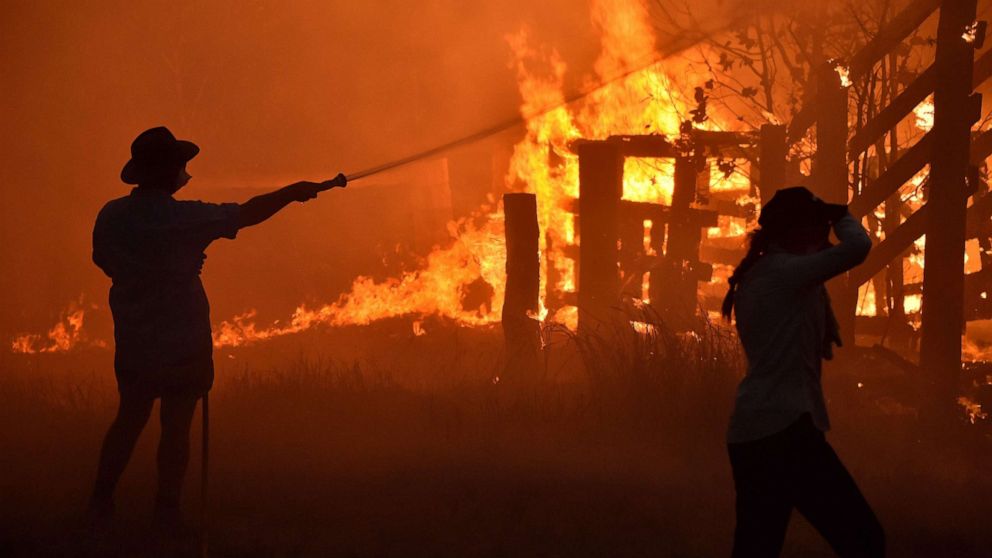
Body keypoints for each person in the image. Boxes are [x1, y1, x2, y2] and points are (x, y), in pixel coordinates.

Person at [89, 126, 346, 528]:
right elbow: (246, 214)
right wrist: (292, 192)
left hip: (135, 337)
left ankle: (100, 502)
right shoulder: (183, 218)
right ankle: (167, 511)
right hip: (182, 340)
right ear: (168, 171)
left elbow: (102, 260)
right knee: (177, 426)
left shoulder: (111, 215)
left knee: (129, 418)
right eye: (181, 166)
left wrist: (149, 272)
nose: (185, 172)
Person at [721, 186, 884, 557]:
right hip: (784, 433)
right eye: (817, 229)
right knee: (864, 539)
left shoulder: (771, 271)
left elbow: (814, 278)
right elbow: (856, 248)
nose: (822, 238)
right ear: (799, 232)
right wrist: (840, 214)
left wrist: (824, 316)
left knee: (757, 548)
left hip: (757, 433)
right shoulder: (783, 273)